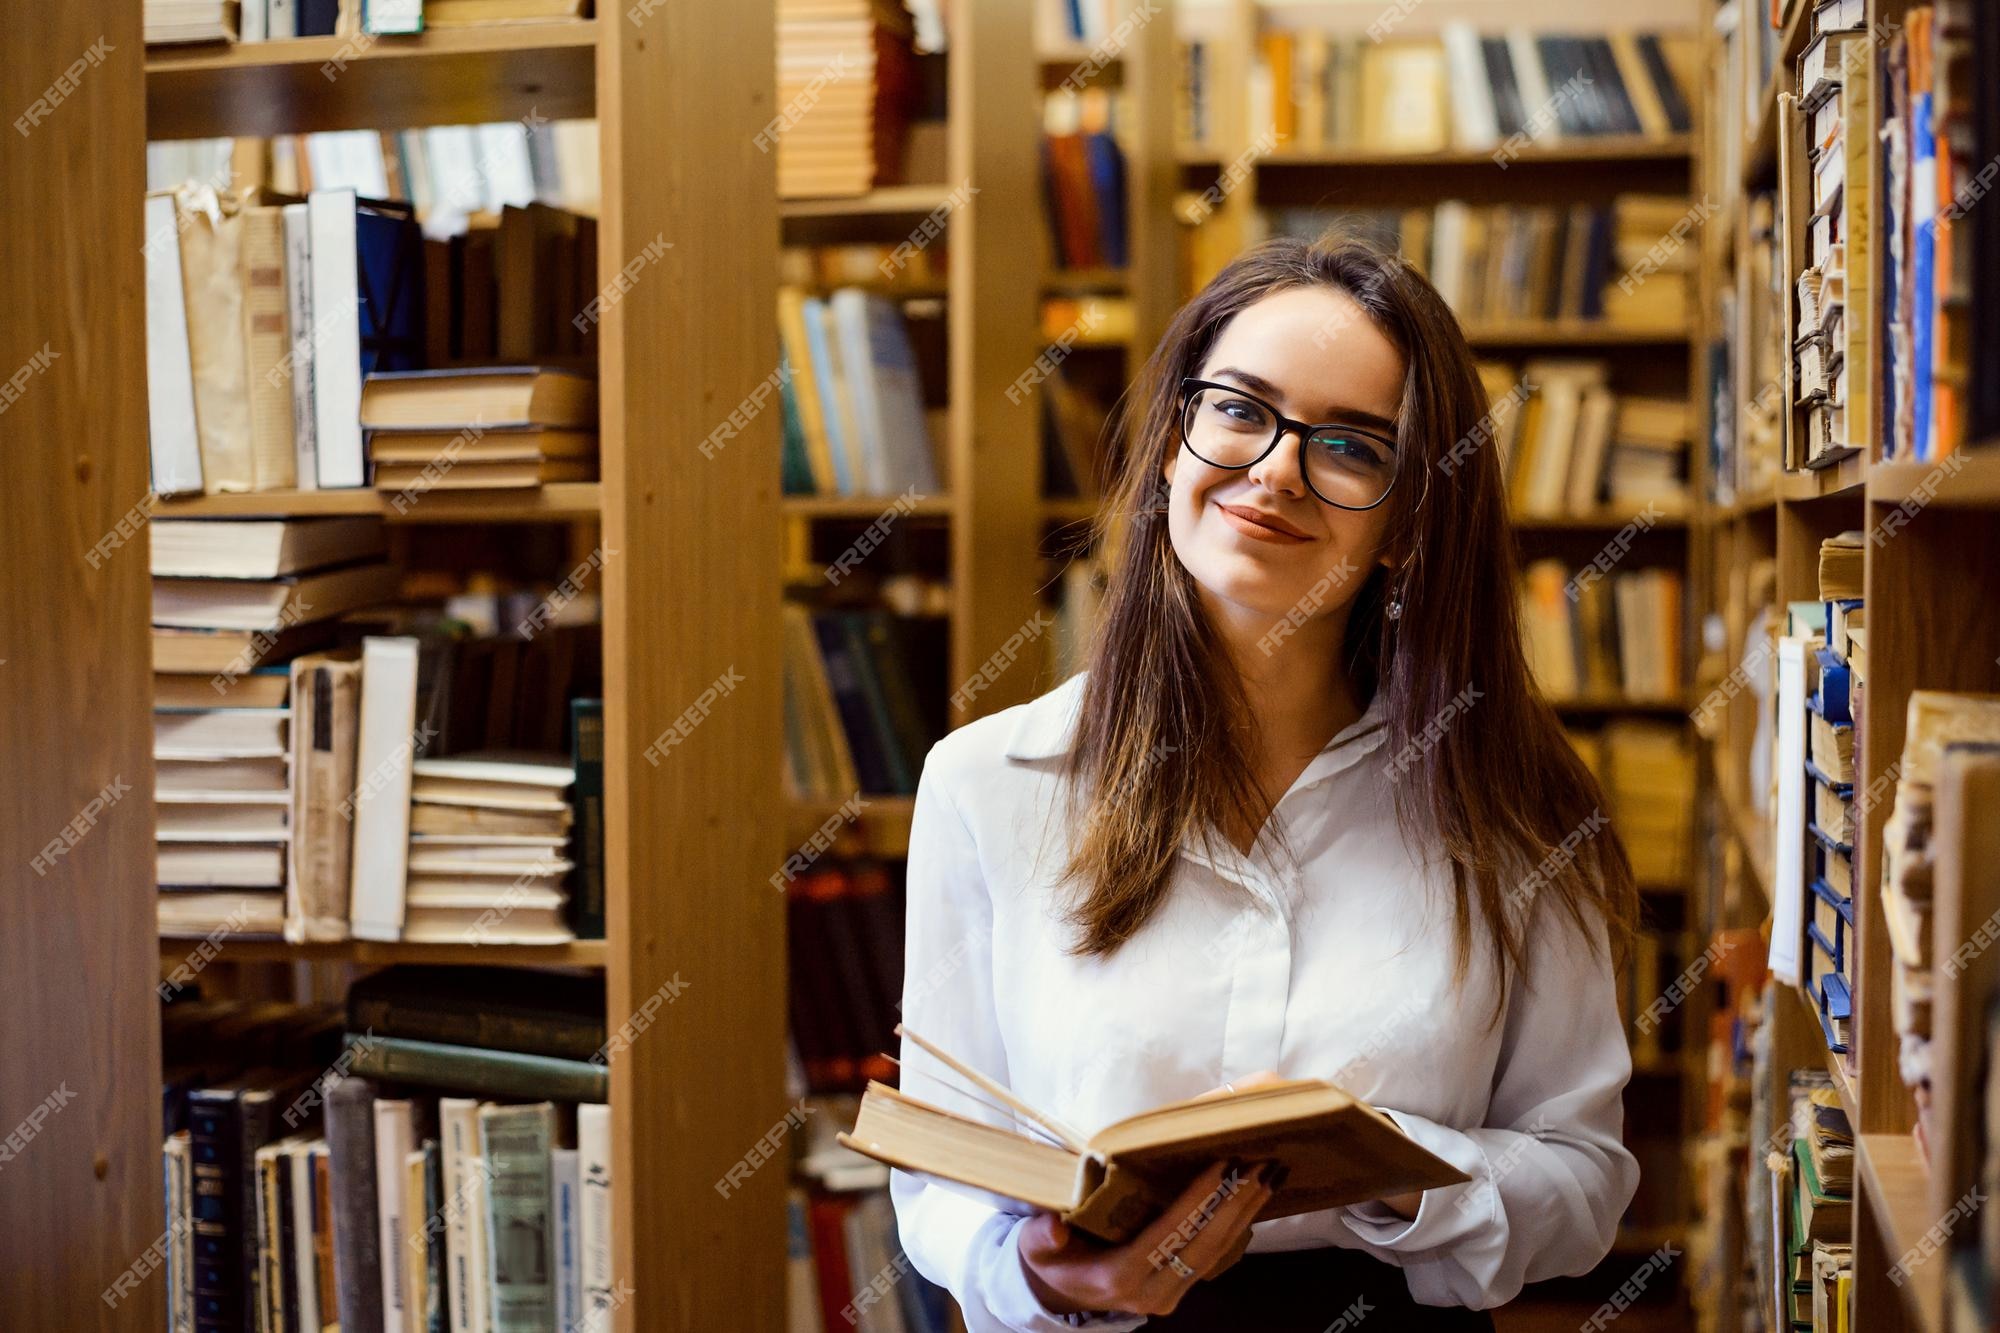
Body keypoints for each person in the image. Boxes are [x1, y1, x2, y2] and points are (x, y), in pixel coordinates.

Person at [891, 232, 1641, 1331]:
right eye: (1238, 409)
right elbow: (940, 1166)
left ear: (1407, 524)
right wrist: (1043, 1279)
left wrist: (1379, 1163)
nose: (1275, 468)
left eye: (1348, 445)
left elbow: (1583, 1186)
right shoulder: (984, 782)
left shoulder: (1516, 804)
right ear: (1168, 446)